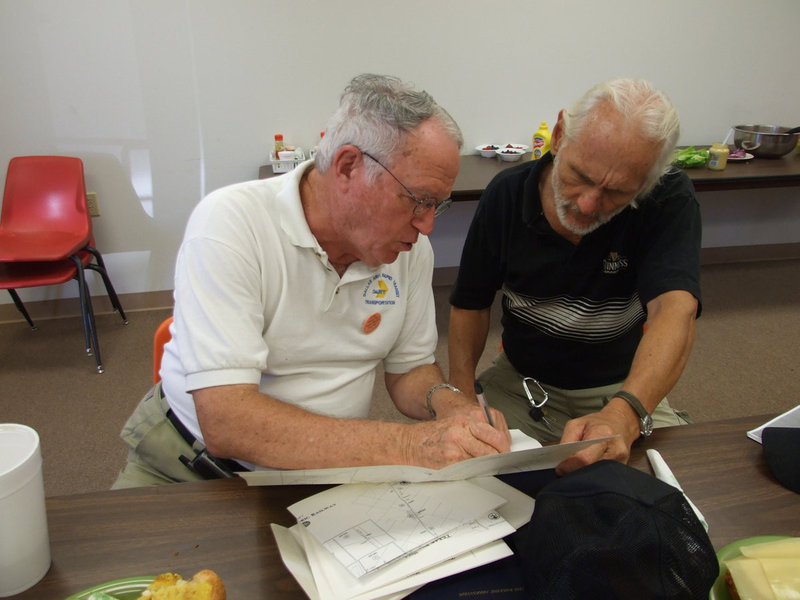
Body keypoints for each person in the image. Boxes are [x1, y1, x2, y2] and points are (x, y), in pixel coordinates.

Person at [113, 74, 510, 488]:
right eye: (419, 200)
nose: (427, 226)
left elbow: (410, 369)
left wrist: (449, 404)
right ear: (348, 167)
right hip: (189, 468)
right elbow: (226, 421)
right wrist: (411, 446)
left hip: (325, 468)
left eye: (437, 206)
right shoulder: (232, 223)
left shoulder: (408, 251)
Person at [448, 78, 701, 476]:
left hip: (621, 387)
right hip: (521, 385)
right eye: (579, 175)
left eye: (617, 193)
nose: (587, 205)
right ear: (560, 134)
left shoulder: (668, 197)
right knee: (466, 478)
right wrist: (461, 398)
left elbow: (675, 310)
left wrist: (626, 412)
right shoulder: (507, 194)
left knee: (675, 486)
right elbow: (470, 304)